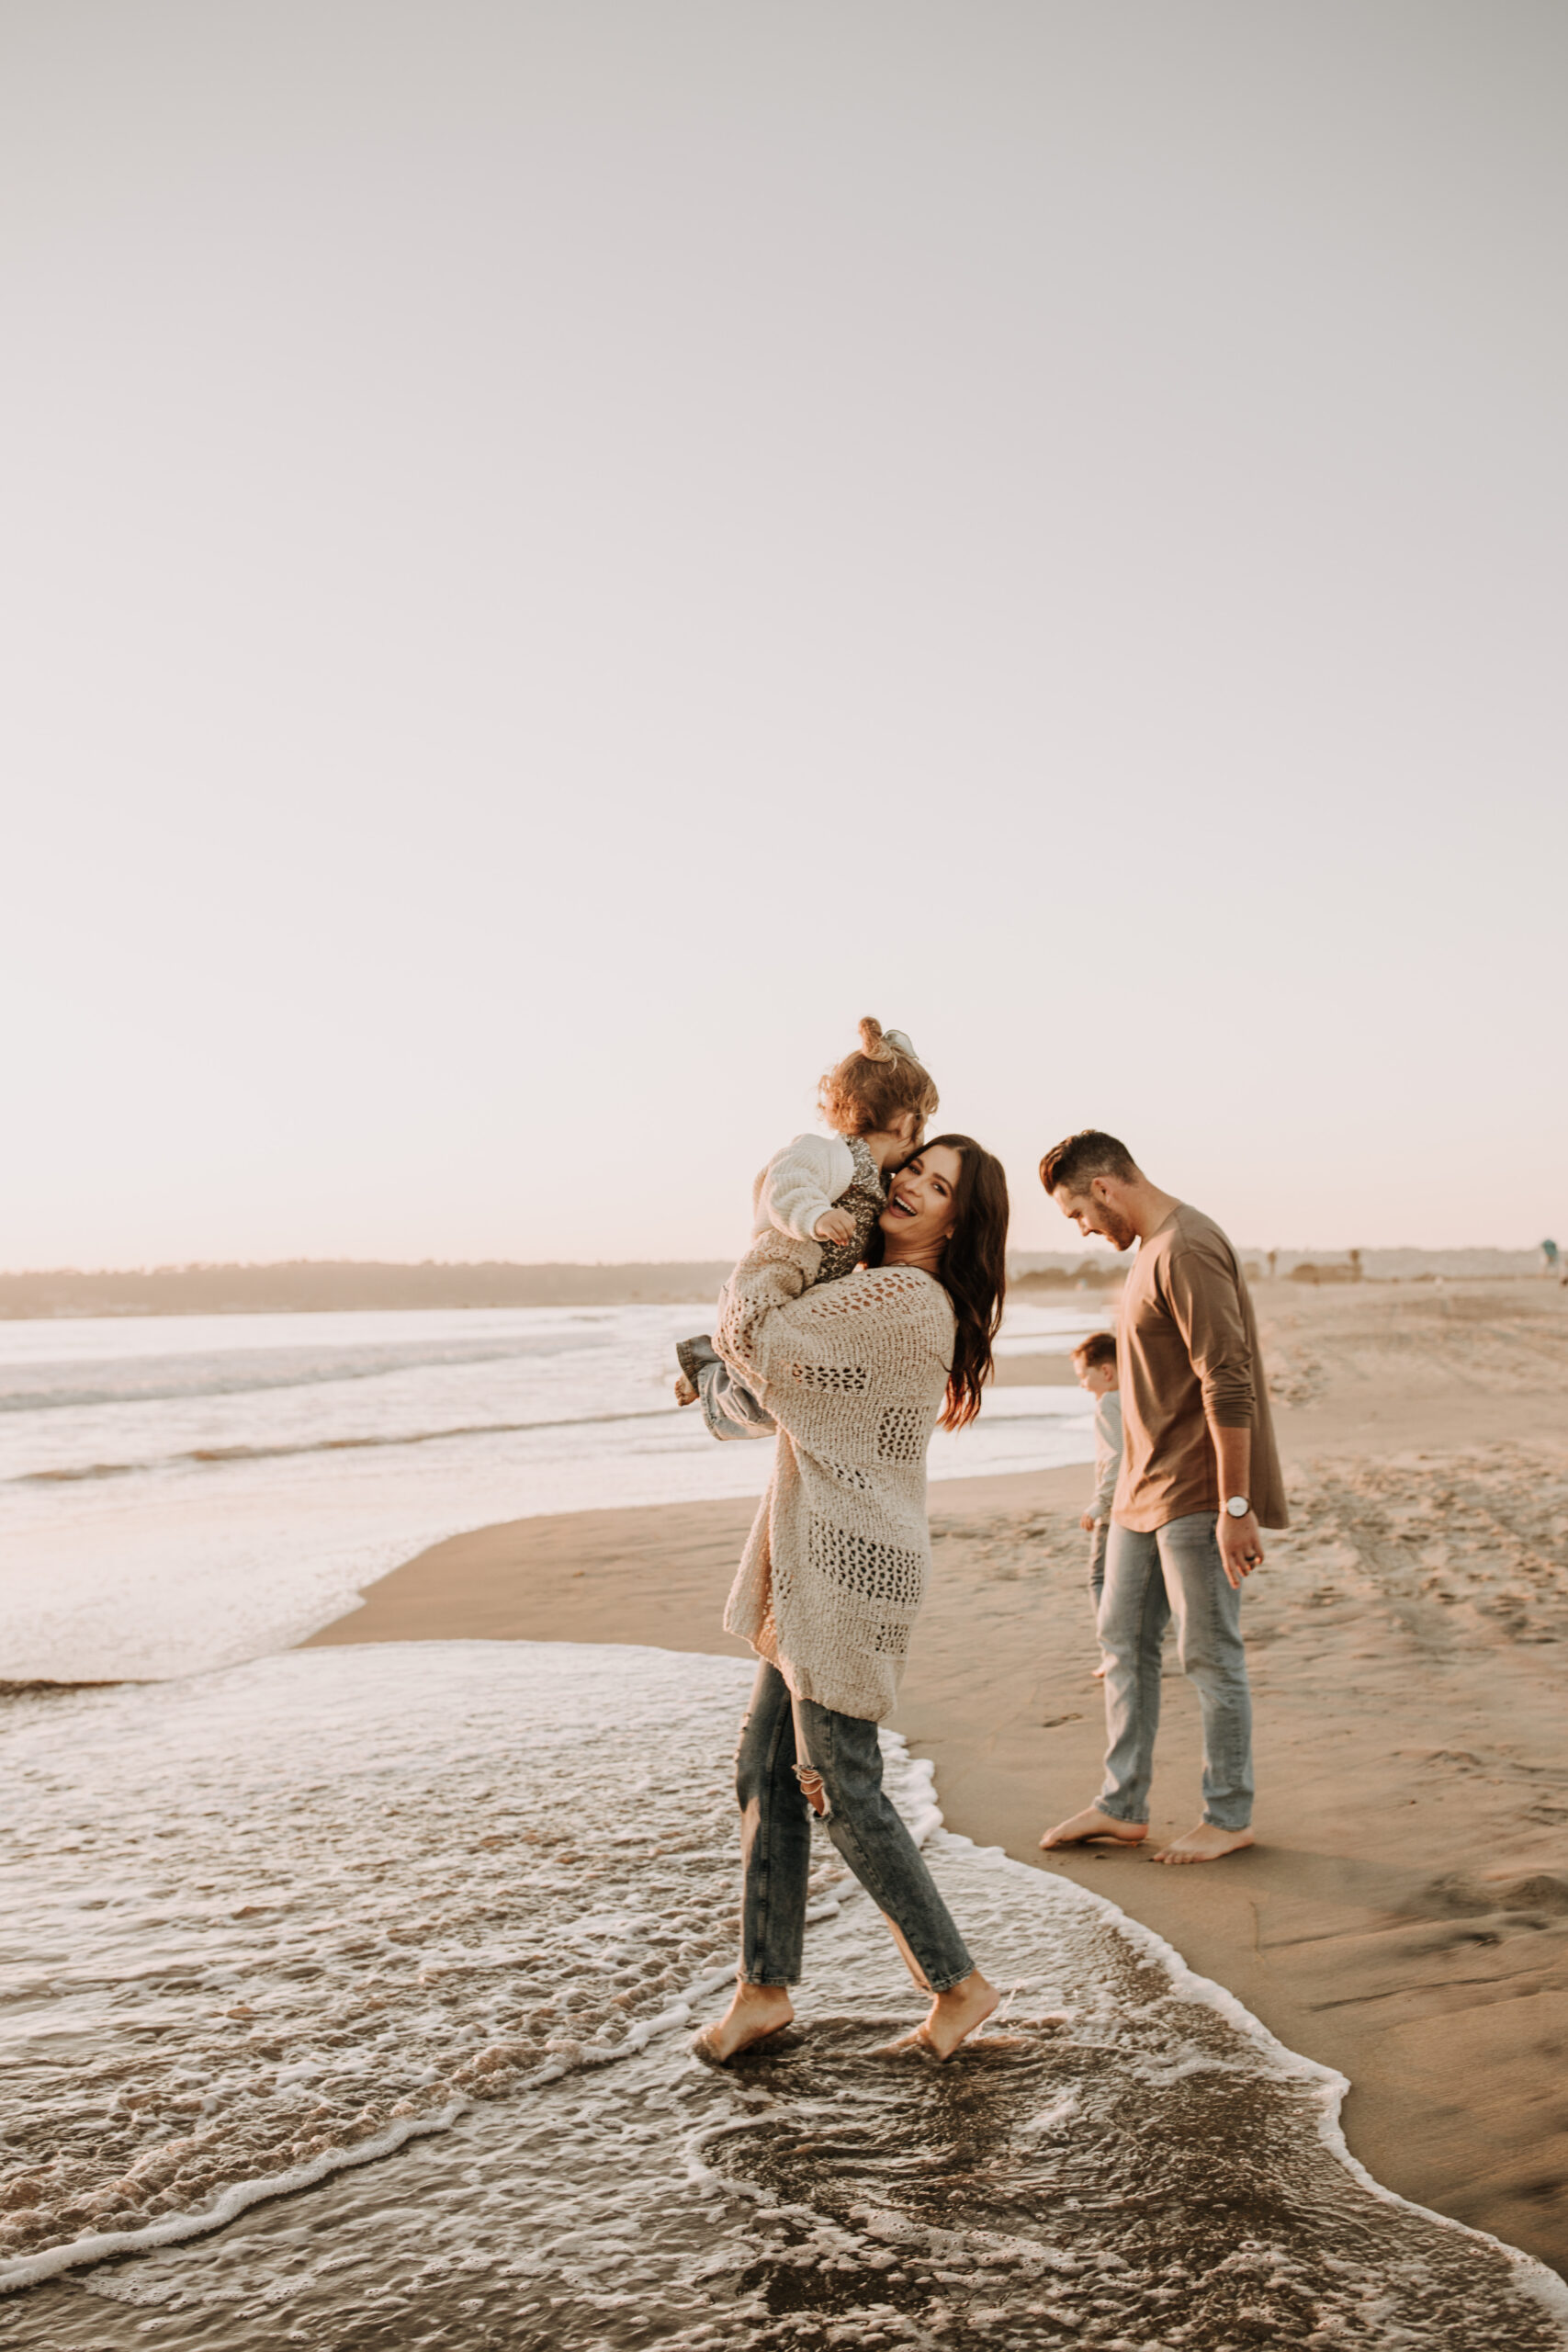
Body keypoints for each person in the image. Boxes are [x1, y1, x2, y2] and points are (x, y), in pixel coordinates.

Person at [694, 1135, 1010, 2064]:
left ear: (961, 1221)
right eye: (909, 1167)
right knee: (766, 1771)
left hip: (844, 1569)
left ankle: (959, 1984)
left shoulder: (908, 1298)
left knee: (839, 1784)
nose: (911, 1183)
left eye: (937, 1184)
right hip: (811, 1561)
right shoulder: (876, 1288)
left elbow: (752, 1336)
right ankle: (763, 1988)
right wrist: (834, 1208)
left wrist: (786, 1226)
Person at [1036, 1131, 1287, 1866]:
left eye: (1078, 1213)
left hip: (1195, 1491)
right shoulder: (1150, 1249)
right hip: (1141, 1493)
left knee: (1207, 1654)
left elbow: (1226, 1377)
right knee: (1121, 1643)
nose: (1082, 1229)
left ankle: (1228, 1813)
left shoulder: (1186, 1246)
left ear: (1105, 1190)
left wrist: (1236, 1508)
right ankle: (1121, 1804)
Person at [673, 1019, 940, 1438]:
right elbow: (786, 1182)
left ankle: (716, 1356)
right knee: (760, 1404)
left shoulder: (878, 1183)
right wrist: (815, 1215)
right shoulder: (827, 1154)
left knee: (786, 1383)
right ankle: (705, 1368)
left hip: (802, 1287)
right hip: (767, 1276)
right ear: (908, 1124)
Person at [1071, 1330, 1122, 1677]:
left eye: (1083, 1376)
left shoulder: (1108, 1404)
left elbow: (1116, 1458)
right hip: (1137, 1504)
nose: (1083, 1385)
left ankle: (1113, 1653)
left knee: (1099, 1578)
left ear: (1105, 1371)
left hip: (1116, 1508)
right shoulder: (1136, 1397)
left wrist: (1098, 1505)